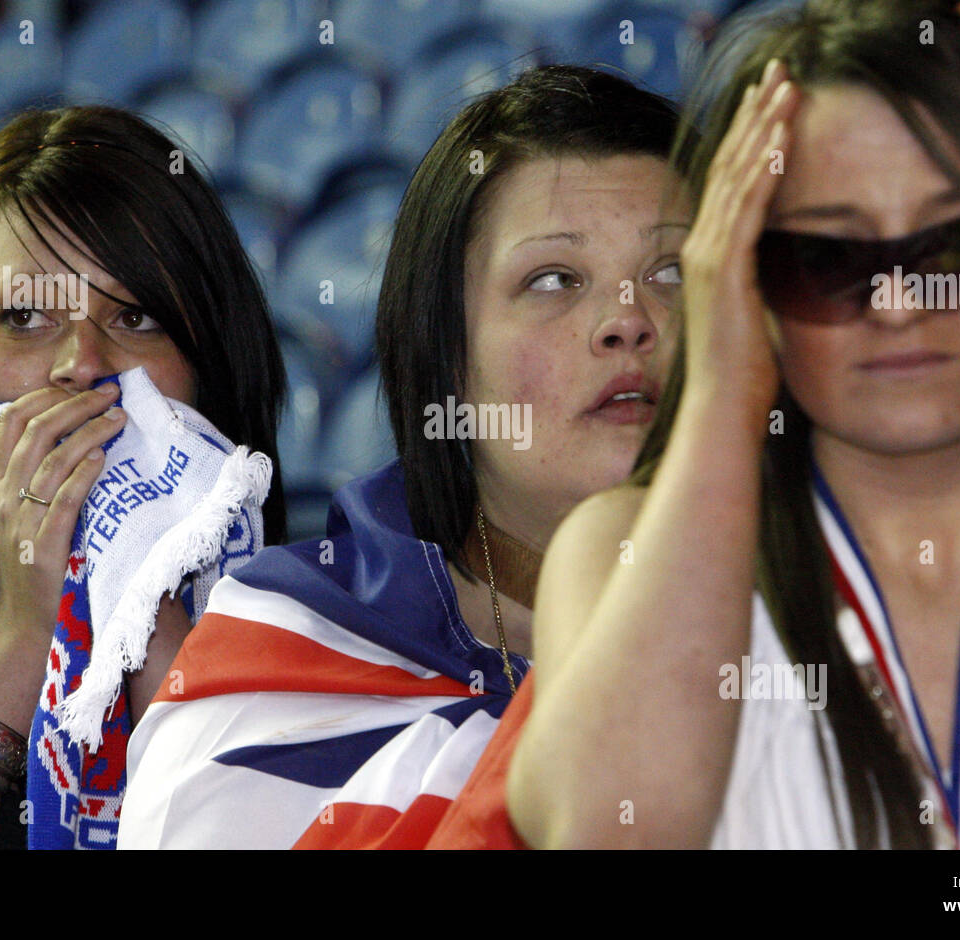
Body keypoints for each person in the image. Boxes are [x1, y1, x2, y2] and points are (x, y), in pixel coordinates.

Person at [498, 0, 960, 849]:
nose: (902, 305)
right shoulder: (623, 546)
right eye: (830, 259)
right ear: (748, 282)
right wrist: (725, 384)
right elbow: (611, 829)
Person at [116, 65, 691, 848]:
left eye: (673, 272)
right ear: (447, 358)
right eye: (554, 279)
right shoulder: (282, 649)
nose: (628, 320)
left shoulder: (842, 612)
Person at [0, 105, 287, 849]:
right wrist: (26, 633)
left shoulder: (301, 613)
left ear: (205, 373)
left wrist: (141, 603)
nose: (83, 362)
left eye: (136, 317)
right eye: (23, 318)